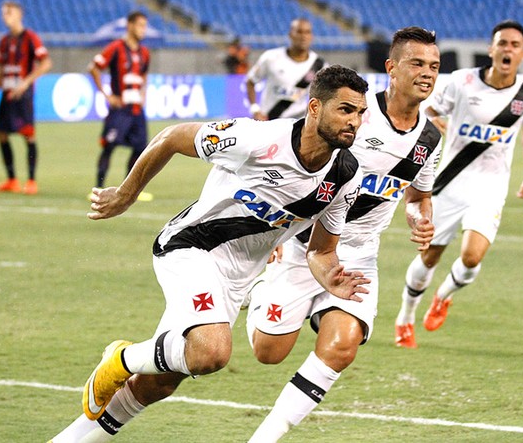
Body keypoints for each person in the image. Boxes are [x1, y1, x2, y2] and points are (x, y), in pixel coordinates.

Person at [49, 65, 370, 442]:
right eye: (346, 110)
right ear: (315, 108)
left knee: (160, 383)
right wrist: (125, 193)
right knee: (211, 352)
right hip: (191, 246)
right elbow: (172, 137)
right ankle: (119, 358)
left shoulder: (346, 175)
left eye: (361, 113)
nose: (355, 122)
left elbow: (321, 250)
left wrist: (330, 275)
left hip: (239, 278)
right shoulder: (256, 139)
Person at [245, 27, 441, 441]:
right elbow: (298, 163)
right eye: (417, 63)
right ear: (391, 68)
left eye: (434, 66)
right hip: (303, 245)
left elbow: (417, 197)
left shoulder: (430, 138)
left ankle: (264, 437)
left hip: (358, 255)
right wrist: (276, 235)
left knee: (341, 345)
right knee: (269, 353)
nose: (427, 73)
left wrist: (419, 217)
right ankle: (257, 290)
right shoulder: (353, 115)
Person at [394, 20, 523, 348]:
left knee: (472, 257)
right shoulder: (462, 82)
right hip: (450, 182)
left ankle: (443, 296)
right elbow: (429, 110)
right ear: (491, 49)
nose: (508, 49)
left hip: (490, 187)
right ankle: (405, 316)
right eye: (502, 43)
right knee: (429, 256)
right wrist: (436, 123)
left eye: (515, 45)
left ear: (522, 54)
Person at [0, 0, 52, 195]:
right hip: (7, 94)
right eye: (3, 13)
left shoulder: (30, 38)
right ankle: (12, 179)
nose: (5, 16)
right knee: (1, 134)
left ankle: (32, 180)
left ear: (19, 14)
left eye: (8, 12)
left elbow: (46, 63)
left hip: (23, 96)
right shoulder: (4, 41)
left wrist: (26, 82)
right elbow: (0, 70)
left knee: (28, 135)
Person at [90, 11, 153, 201]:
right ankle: (98, 189)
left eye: (145, 26)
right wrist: (106, 94)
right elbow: (93, 67)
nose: (143, 30)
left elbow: (144, 75)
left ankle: (129, 191)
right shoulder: (116, 48)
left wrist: (143, 94)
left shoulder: (144, 53)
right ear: (130, 25)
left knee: (141, 148)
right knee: (109, 146)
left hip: (136, 110)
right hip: (120, 110)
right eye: (140, 25)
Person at [245, 18, 326, 121]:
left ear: (312, 36)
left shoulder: (319, 65)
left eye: (307, 32)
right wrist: (255, 109)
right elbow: (250, 81)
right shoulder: (271, 57)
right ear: (290, 35)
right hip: (269, 121)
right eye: (299, 32)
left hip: (298, 124)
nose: (303, 36)